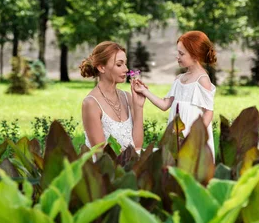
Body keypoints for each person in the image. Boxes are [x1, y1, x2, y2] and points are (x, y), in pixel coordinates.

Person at [133, 31, 217, 159]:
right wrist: (144, 91)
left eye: (181, 53)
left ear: (195, 55)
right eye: (178, 52)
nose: (177, 57)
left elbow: (208, 112)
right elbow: (165, 105)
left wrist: (195, 137)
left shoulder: (202, 80)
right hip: (176, 134)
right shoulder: (179, 79)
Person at [80, 41, 146, 155]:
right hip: (105, 168)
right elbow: (101, 154)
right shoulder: (91, 103)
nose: (126, 69)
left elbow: (138, 146)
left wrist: (138, 106)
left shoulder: (127, 97)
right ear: (101, 67)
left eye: (125, 63)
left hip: (130, 163)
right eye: (119, 64)